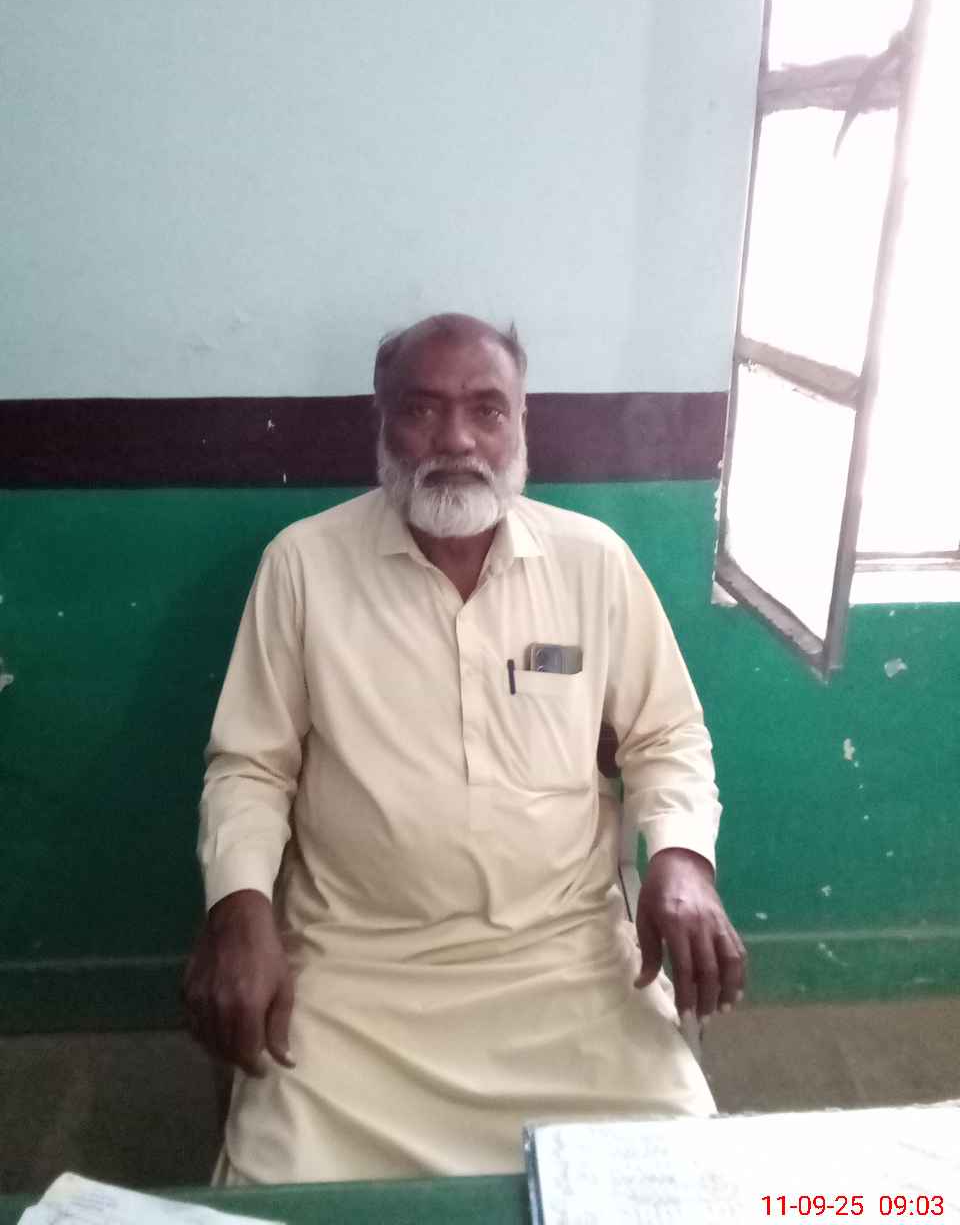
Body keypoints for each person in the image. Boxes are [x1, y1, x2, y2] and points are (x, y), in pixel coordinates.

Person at [183, 312, 746, 1185]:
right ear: (381, 420)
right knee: (284, 1195)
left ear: (522, 422)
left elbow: (666, 733)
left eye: (487, 409)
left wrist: (681, 860)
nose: (455, 439)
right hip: (357, 976)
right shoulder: (304, 566)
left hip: (567, 967)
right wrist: (238, 911)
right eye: (421, 409)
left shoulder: (593, 562)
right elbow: (251, 766)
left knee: (673, 1184)